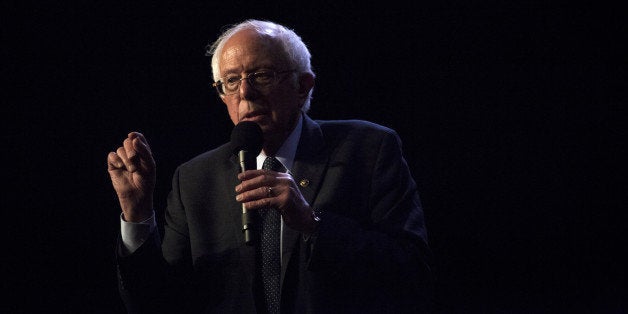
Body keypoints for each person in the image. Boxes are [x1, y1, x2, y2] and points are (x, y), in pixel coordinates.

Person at [107, 19, 433, 314]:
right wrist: (136, 214)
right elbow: (159, 304)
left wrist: (313, 223)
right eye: (230, 82)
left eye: (262, 76)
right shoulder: (194, 179)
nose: (245, 93)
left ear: (303, 85)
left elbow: (411, 270)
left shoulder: (368, 148)